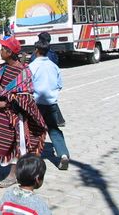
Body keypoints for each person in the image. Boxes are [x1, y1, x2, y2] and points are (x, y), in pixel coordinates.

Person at [0, 36, 47, 188]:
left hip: (15, 117)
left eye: (3, 49)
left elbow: (26, 97)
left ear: (10, 52)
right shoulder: (1, 69)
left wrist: (4, 103)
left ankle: (12, 175)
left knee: (16, 145)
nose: (0, 51)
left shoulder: (24, 73)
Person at [29, 40, 70, 170]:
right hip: (52, 103)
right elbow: (59, 85)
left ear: (36, 50)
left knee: (34, 130)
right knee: (54, 129)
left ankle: (34, 158)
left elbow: (28, 85)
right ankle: (63, 154)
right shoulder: (54, 66)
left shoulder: (32, 66)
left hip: (37, 104)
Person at [28, 32, 66, 127]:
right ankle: (59, 120)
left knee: (36, 126)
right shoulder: (52, 54)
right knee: (53, 128)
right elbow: (59, 83)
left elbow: (27, 77)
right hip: (51, 89)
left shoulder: (34, 60)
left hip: (38, 96)